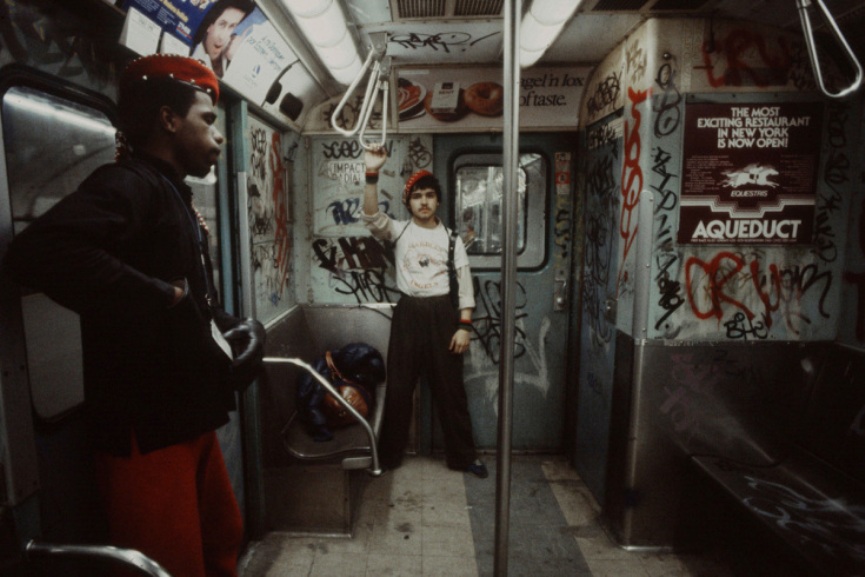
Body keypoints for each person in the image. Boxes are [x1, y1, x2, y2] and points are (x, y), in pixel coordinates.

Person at [3, 54, 265, 577]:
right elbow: (41, 251)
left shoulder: (172, 194)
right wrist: (159, 298)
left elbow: (188, 291)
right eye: (208, 121)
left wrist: (231, 325)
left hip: (187, 416)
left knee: (223, 539)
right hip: (144, 431)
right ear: (168, 119)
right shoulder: (129, 184)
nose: (219, 138)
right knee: (172, 565)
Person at [361, 146, 488, 479]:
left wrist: (464, 326)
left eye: (430, 195)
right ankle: (388, 456)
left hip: (442, 315)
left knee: (450, 390)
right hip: (409, 313)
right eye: (417, 196)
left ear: (439, 201)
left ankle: (463, 456)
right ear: (409, 202)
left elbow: (464, 285)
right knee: (400, 388)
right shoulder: (400, 231)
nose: (424, 202)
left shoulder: (451, 239)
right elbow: (371, 217)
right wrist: (371, 173)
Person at [191, 0, 254, 77]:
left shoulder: (231, 57)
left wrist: (234, 61)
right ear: (209, 26)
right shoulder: (191, 56)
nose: (223, 37)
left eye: (232, 26)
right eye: (222, 24)